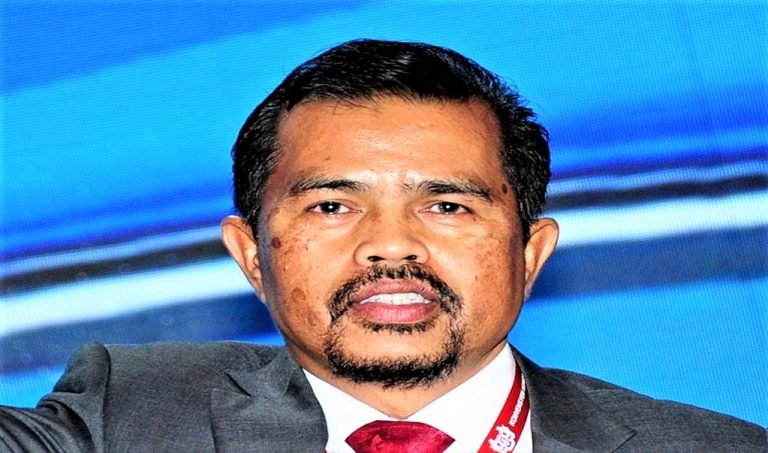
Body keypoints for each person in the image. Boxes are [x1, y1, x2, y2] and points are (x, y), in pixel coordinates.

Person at [0, 39, 764, 453]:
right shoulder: (125, 417)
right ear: (252, 257)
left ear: (530, 253)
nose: (390, 244)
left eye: (447, 204)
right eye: (332, 205)